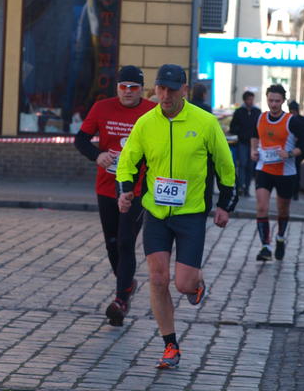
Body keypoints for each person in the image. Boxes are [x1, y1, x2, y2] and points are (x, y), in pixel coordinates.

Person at [116, 64, 237, 369]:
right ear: (155, 89)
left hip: (191, 214)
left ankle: (196, 284)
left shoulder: (205, 122)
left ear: (184, 90)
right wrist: (126, 189)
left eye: (172, 90)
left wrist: (225, 204)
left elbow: (225, 165)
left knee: (183, 284)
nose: (165, 95)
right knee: (158, 278)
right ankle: (170, 345)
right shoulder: (146, 123)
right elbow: (128, 160)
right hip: (156, 212)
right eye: (161, 89)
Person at [74, 65, 156, 326]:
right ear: (117, 88)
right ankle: (127, 283)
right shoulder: (102, 108)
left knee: (125, 242)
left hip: (137, 189)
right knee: (111, 243)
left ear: (141, 90)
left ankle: (120, 300)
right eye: (123, 87)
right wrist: (97, 155)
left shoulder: (152, 112)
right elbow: (81, 140)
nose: (128, 92)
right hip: (107, 186)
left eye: (133, 87)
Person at [250, 84, 304, 261]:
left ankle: (280, 237)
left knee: (283, 210)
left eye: (277, 101)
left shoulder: (293, 121)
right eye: (270, 100)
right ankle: (265, 247)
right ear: (266, 99)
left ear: (283, 101)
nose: (273, 104)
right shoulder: (260, 118)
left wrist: (290, 153)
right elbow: (254, 135)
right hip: (264, 169)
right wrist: (253, 150)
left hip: (286, 172)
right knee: (262, 207)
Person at [229, 91, 261, 197]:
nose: (251, 101)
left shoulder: (257, 112)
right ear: (245, 100)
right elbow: (233, 127)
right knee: (242, 165)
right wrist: (241, 132)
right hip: (242, 142)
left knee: (250, 167)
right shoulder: (239, 112)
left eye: (252, 99)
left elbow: (260, 126)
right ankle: (240, 187)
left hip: (253, 144)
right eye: (249, 99)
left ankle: (247, 188)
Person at [287, 100, 304, 200]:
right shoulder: (302, 120)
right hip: (298, 149)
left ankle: (293, 191)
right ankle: (294, 192)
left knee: (293, 171)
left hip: (294, 149)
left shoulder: (290, 120)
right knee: (295, 171)